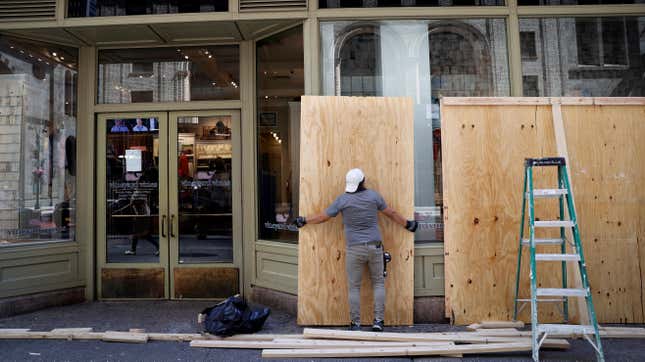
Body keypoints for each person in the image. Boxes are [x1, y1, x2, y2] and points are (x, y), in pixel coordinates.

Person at [294, 168, 417, 332]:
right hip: (375, 247)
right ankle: (378, 322)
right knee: (379, 284)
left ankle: (356, 324)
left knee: (354, 287)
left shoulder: (342, 200)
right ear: (363, 181)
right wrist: (408, 224)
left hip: (354, 249)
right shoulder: (374, 196)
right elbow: (391, 213)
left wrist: (304, 220)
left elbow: (323, 217)